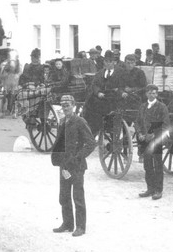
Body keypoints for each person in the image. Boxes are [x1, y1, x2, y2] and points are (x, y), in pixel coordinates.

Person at [51, 94, 95, 237]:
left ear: (74, 106)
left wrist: (78, 158)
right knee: (64, 196)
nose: (65, 108)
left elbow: (91, 143)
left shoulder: (80, 121)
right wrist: (60, 160)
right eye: (63, 105)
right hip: (64, 166)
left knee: (78, 197)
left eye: (68, 105)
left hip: (76, 166)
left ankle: (80, 227)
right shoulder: (62, 121)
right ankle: (67, 224)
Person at [136, 85, 171, 200]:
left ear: (157, 94)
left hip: (156, 140)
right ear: (146, 94)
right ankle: (150, 189)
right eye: (150, 93)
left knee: (157, 165)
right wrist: (140, 133)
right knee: (147, 165)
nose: (152, 95)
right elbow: (138, 122)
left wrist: (154, 135)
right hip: (144, 140)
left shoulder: (162, 107)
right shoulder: (142, 107)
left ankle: (158, 190)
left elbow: (165, 124)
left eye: (154, 93)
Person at [84, 51, 127, 133]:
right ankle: (91, 127)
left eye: (110, 61)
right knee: (90, 102)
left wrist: (120, 92)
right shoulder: (100, 73)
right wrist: (98, 93)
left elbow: (123, 86)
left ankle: (102, 126)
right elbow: (94, 85)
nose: (108, 64)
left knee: (102, 106)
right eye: (106, 61)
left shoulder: (121, 72)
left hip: (114, 97)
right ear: (104, 62)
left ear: (114, 62)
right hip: (102, 96)